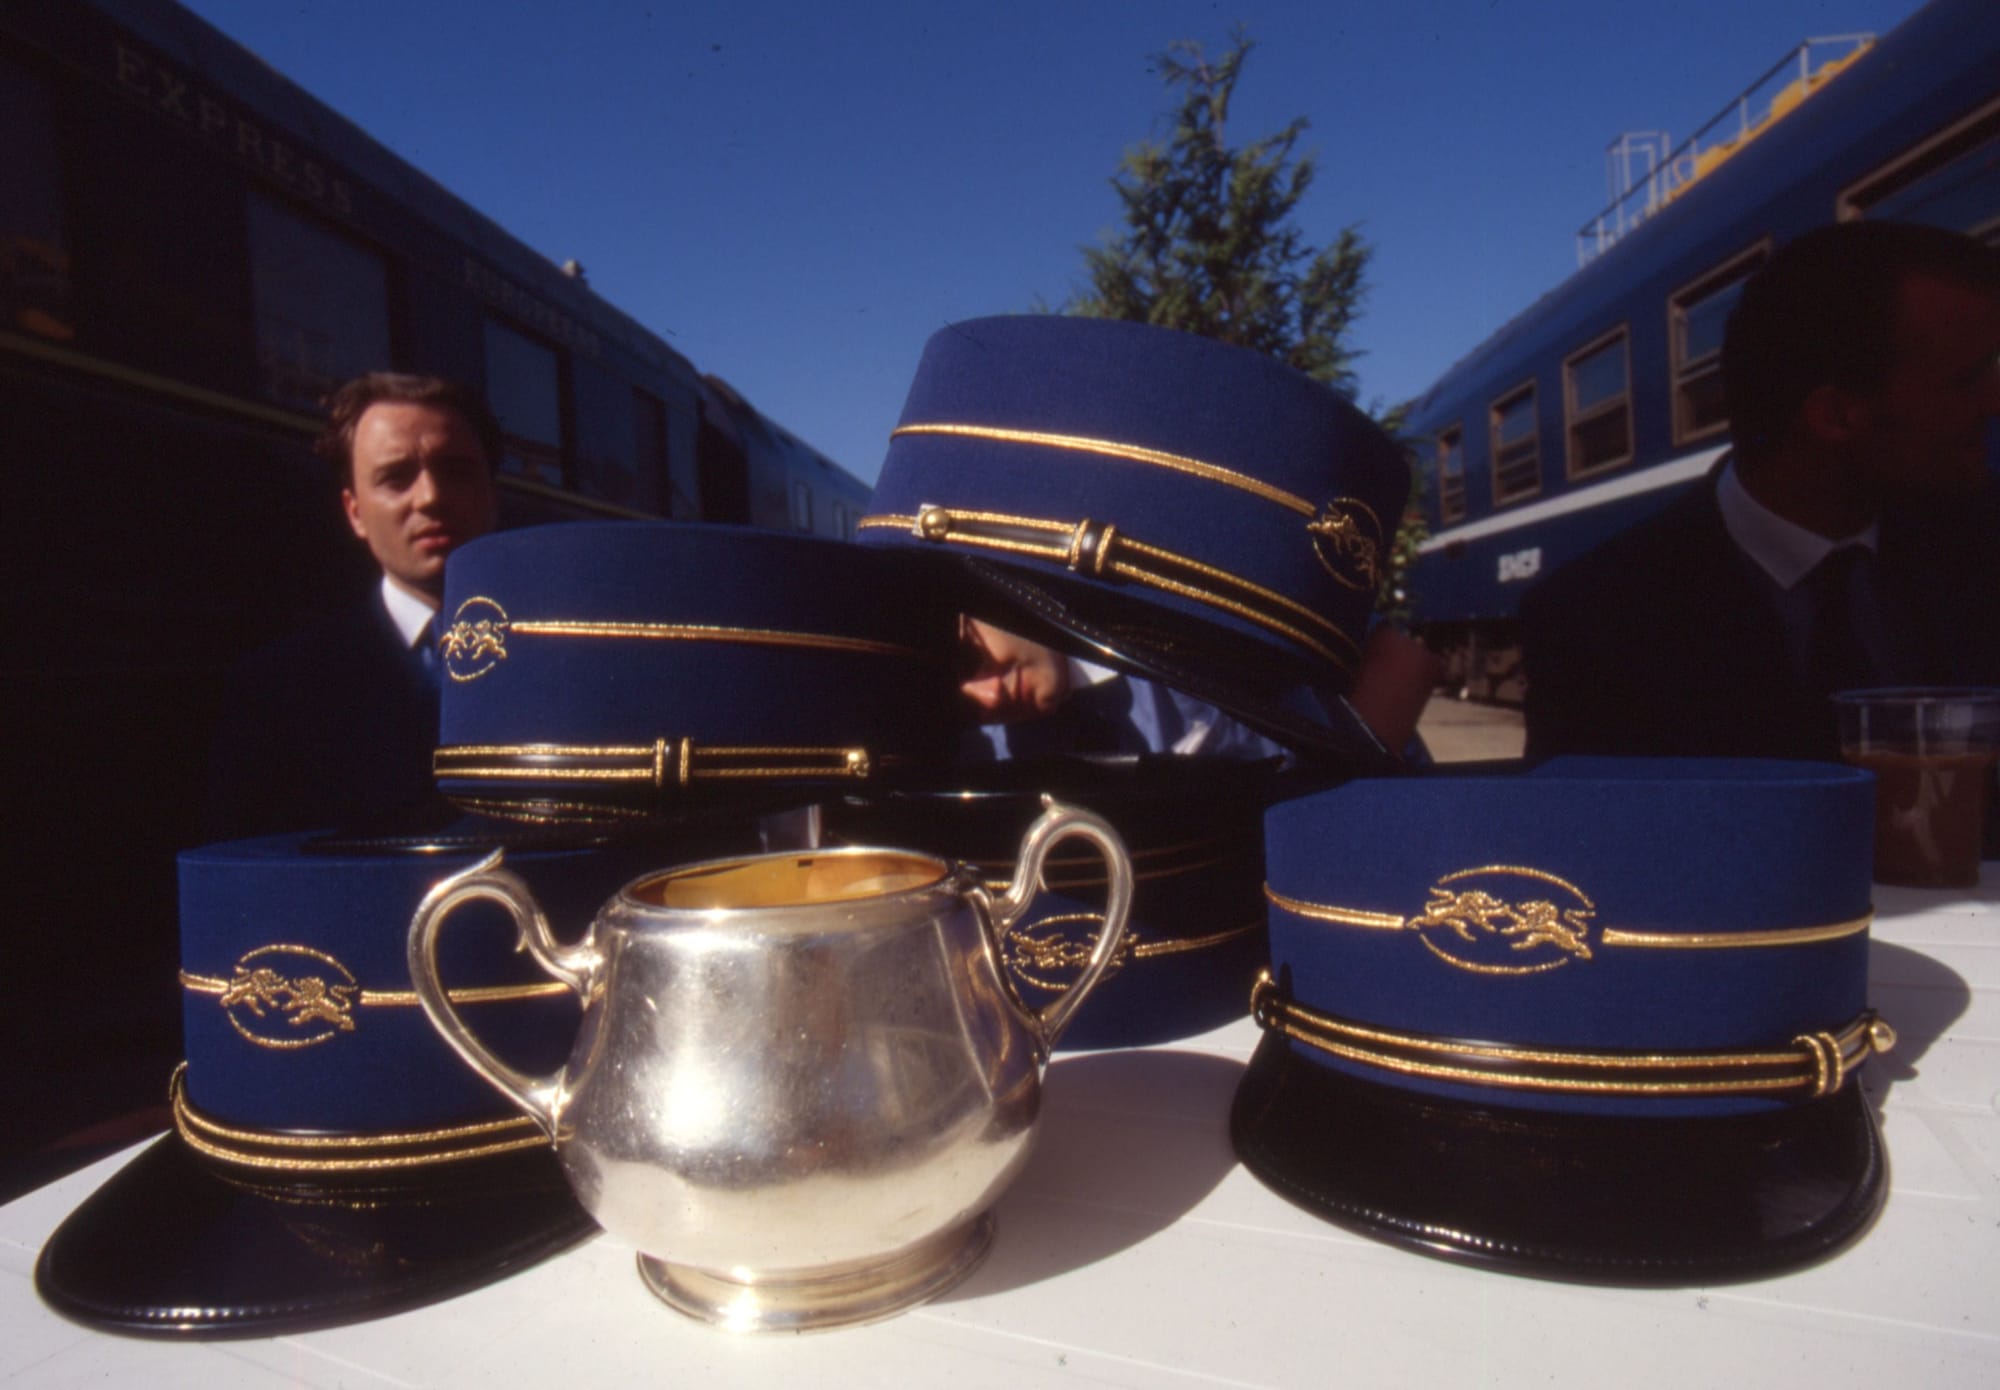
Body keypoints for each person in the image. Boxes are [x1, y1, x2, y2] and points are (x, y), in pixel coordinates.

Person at [1523, 221, 2000, 762]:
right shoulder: (1594, 622)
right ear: (1836, 415)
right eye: (1968, 381)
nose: (1995, 402)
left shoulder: (1981, 552)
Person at [207, 373, 502, 837]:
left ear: (492, 492)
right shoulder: (276, 690)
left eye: (457, 471)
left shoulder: (569, 657)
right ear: (355, 512)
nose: (431, 497)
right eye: (396, 477)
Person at [958, 616, 1440, 761]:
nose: (989, 698)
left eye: (971, 656)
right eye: (958, 700)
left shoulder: (1162, 594)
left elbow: (1401, 663)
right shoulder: (991, 756)